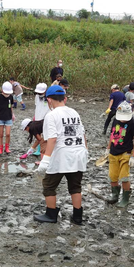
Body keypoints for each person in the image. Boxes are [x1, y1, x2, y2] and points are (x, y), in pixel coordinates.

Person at [34, 85, 88, 225]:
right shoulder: (74, 112)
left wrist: (45, 161)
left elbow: (52, 139)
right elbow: (82, 133)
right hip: (78, 153)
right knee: (75, 186)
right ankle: (77, 217)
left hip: (62, 155)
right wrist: (86, 151)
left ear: (49, 100)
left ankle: (51, 214)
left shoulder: (51, 115)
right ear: (64, 99)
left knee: (49, 185)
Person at [105, 101, 134, 208]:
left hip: (126, 153)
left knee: (124, 177)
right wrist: (108, 148)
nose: (123, 119)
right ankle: (115, 194)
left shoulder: (133, 123)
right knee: (113, 176)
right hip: (114, 152)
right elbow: (112, 134)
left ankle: (125, 198)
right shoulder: (115, 120)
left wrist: (133, 156)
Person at [0, 81, 15, 155]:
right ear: (2, 90)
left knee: (8, 134)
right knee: (1, 134)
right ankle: (0, 149)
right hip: (0, 118)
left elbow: (10, 106)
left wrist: (13, 114)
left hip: (8, 118)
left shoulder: (11, 97)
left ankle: (7, 148)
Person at [27, 83, 49, 157]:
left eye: (41, 92)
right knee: (39, 135)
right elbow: (37, 106)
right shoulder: (37, 96)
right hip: (37, 118)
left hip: (46, 119)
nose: (39, 94)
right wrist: (35, 117)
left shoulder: (49, 97)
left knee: (45, 136)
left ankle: (42, 151)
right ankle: (39, 150)